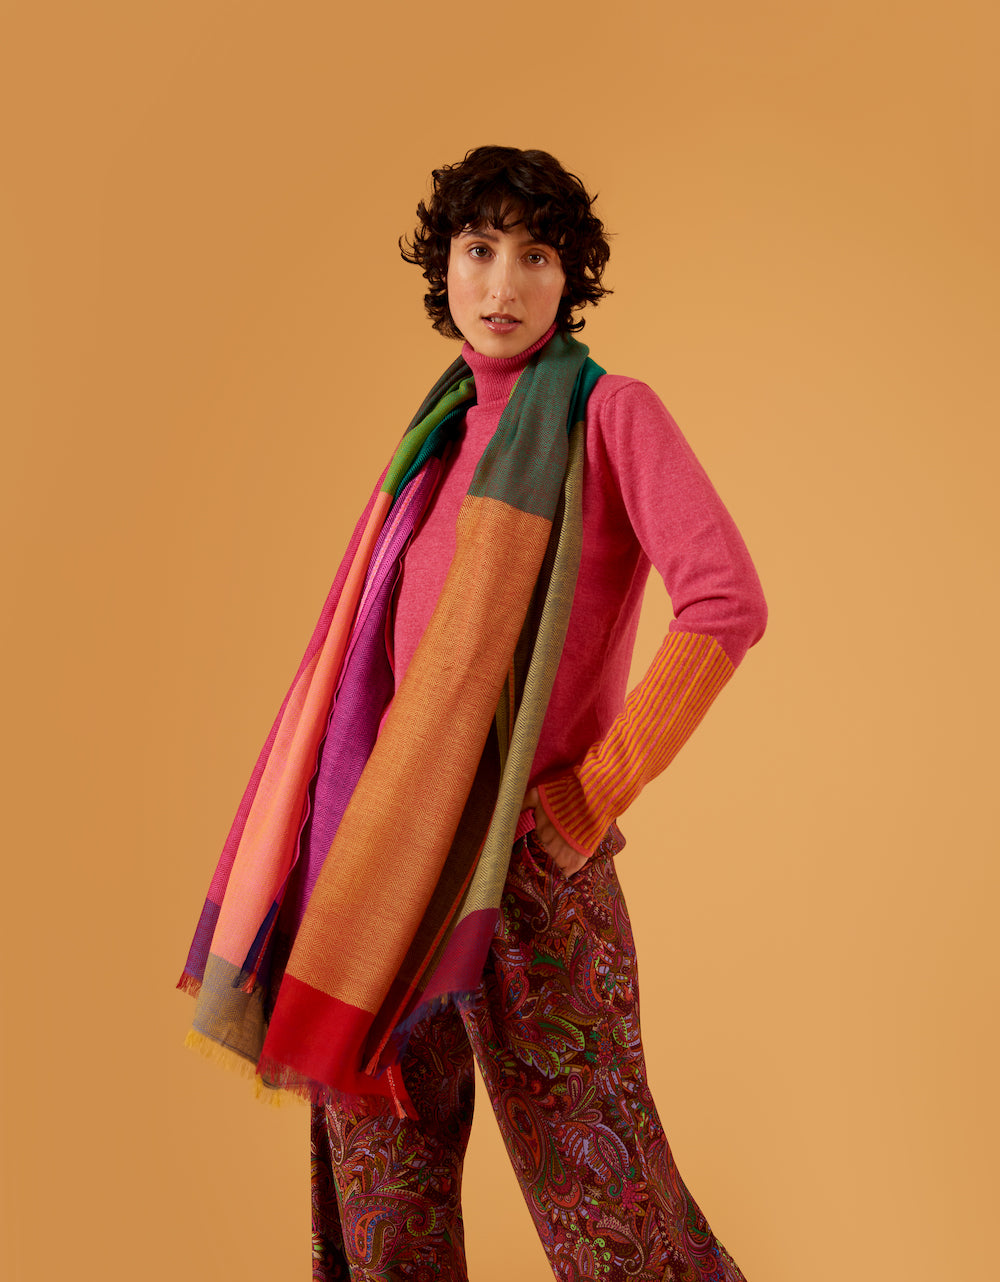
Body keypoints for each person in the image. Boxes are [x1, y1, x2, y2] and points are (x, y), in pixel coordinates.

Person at [179, 146, 766, 1282]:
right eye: (479, 249)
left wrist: (591, 796)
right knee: (381, 1220)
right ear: (442, 265)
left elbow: (725, 601)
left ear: (569, 277)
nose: (502, 285)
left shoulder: (609, 415)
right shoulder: (438, 437)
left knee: (615, 1214)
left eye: (535, 256)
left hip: (530, 869)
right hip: (385, 873)